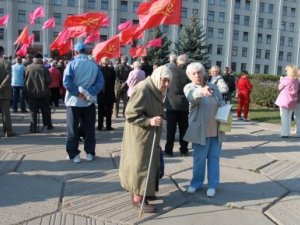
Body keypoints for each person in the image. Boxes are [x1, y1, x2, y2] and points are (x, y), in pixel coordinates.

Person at [119, 65, 172, 213]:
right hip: (140, 134)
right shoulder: (143, 88)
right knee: (140, 165)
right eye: (164, 80)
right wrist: (149, 121)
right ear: (157, 78)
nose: (167, 84)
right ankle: (137, 198)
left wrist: (159, 116)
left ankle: (144, 192)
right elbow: (130, 113)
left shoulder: (156, 88)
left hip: (149, 134)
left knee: (149, 164)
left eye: (169, 81)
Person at [183, 62, 225, 197]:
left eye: (199, 72)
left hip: (216, 130)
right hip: (201, 131)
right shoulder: (189, 87)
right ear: (189, 76)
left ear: (203, 73)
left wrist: (225, 112)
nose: (197, 75)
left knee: (214, 158)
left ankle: (213, 185)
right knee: (199, 159)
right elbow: (192, 97)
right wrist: (201, 91)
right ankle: (196, 183)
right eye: (193, 73)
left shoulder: (213, 87)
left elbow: (222, 102)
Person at [63, 42, 104, 163]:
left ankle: (74, 154)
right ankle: (90, 153)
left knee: (72, 129)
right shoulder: (94, 65)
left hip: (73, 101)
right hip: (89, 102)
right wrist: (89, 93)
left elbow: (66, 82)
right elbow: (100, 83)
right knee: (89, 128)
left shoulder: (71, 64)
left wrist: (77, 93)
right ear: (86, 52)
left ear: (75, 52)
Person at [164, 54, 190, 157]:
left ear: (177, 62)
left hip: (171, 104)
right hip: (184, 104)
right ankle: (184, 150)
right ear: (187, 62)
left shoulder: (171, 72)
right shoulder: (189, 73)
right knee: (184, 128)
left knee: (171, 129)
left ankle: (168, 150)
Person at [24, 53, 53, 133]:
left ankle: (33, 127)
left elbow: (24, 79)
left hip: (31, 93)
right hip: (44, 93)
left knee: (32, 111)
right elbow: (49, 81)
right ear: (40, 59)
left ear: (33, 59)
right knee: (46, 109)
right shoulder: (44, 68)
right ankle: (47, 124)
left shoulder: (27, 68)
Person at [275, 65, 298, 138]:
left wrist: (281, 80)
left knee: (284, 117)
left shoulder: (286, 79)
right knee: (288, 117)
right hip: (292, 101)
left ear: (289, 71)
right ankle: (287, 132)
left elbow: (279, 88)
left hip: (284, 100)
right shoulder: (296, 80)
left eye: (286, 70)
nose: (286, 71)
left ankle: (284, 133)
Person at [97, 57, 116, 131]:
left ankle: (99, 126)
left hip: (101, 92)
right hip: (110, 92)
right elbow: (114, 81)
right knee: (109, 111)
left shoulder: (99, 70)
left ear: (102, 62)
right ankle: (108, 126)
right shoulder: (112, 70)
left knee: (100, 110)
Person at [0, 45, 15, 137]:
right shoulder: (6, 62)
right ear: (2, 52)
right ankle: (7, 131)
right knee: (6, 114)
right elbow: (8, 76)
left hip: (4, 92)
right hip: (4, 92)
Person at [293, 69, 300, 136]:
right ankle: (296, 130)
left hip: (298, 100)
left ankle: (298, 131)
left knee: (297, 116)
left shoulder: (297, 80)